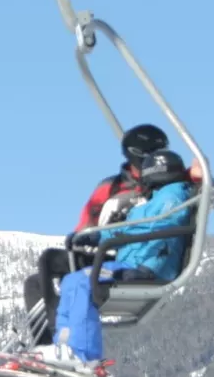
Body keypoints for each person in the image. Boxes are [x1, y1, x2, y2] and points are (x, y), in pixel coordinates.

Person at [24, 124, 197, 345]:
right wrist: (88, 236)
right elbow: (88, 221)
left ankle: (69, 345)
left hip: (136, 256)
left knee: (77, 282)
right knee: (44, 272)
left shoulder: (168, 189)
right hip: (113, 250)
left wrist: (199, 174)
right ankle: (49, 343)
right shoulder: (113, 188)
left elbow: (185, 191)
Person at [51, 147, 195, 364]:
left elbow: (159, 224)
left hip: (150, 265)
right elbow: (132, 225)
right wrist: (95, 236)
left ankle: (84, 354)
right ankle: (63, 346)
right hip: (134, 261)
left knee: (82, 283)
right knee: (72, 281)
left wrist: (113, 234)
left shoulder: (173, 195)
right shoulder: (156, 199)